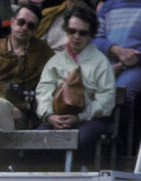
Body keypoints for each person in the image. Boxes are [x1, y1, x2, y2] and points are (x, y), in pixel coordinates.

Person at [35, 3, 117, 165]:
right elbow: (43, 92)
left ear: (90, 34)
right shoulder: (54, 61)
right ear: (66, 30)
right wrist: (50, 115)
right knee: (38, 139)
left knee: (78, 139)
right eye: (72, 31)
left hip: (90, 119)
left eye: (82, 32)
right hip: (56, 116)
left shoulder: (101, 62)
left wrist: (79, 116)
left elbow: (106, 100)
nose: (76, 36)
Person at [0, 2, 54, 129]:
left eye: (30, 26)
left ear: (36, 30)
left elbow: (50, 86)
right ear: (12, 22)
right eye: (21, 22)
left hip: (23, 115)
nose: (24, 28)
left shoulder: (44, 53)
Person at [93, 0, 141, 149]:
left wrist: (121, 64)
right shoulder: (108, 5)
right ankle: (95, 146)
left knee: (122, 91)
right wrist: (116, 50)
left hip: (140, 66)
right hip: (108, 63)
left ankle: (124, 148)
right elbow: (95, 38)